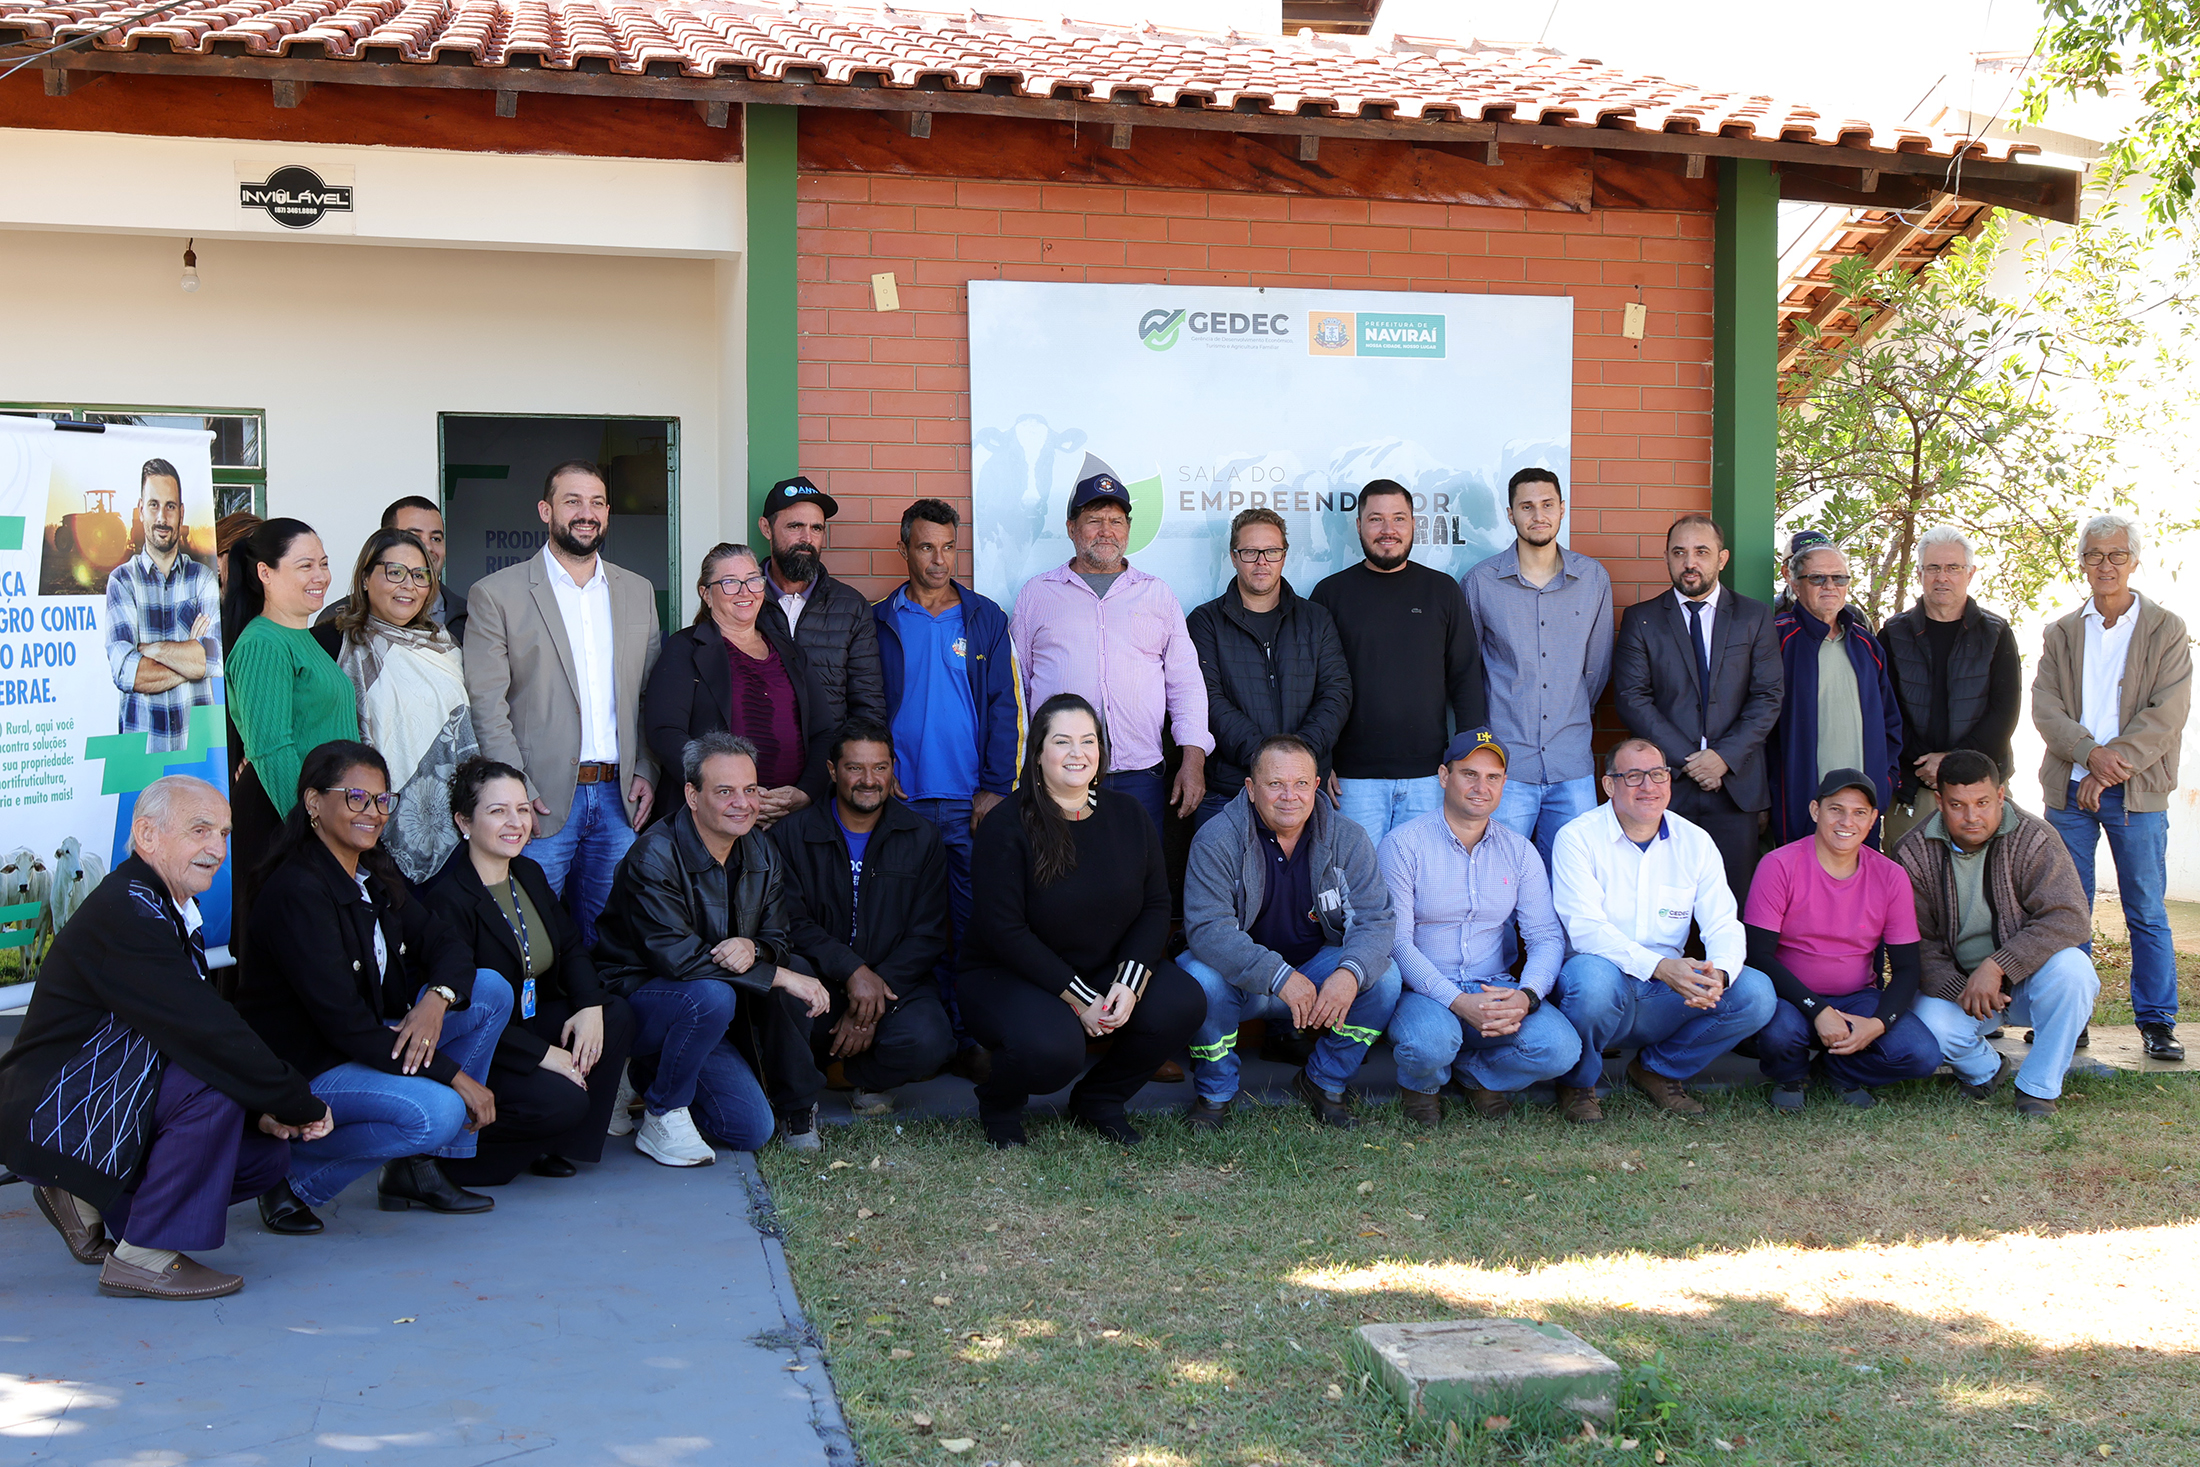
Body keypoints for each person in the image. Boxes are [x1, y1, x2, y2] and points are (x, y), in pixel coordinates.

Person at [0, 776, 332, 1301]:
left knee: (265, 1158)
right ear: (147, 835)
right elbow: (201, 1027)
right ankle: (145, 1255)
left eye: (223, 833)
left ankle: (84, 1194)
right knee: (213, 1082)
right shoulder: (128, 907)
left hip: (105, 1100)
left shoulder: (166, 905)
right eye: (200, 830)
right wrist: (295, 1100)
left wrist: (266, 1111)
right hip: (57, 1108)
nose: (217, 848)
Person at [237, 741, 511, 1218]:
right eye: (356, 798)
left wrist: (435, 1001)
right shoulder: (297, 891)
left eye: (383, 800)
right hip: (310, 1066)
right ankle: (293, 1176)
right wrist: (456, 1078)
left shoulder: (374, 873)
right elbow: (344, 1026)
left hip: (366, 1039)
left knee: (490, 991)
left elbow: (446, 943)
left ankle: (416, 1168)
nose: (374, 812)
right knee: (440, 1110)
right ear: (314, 803)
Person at [958, 694, 1206, 1148]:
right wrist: (1082, 999)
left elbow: (1155, 906)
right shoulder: (1006, 824)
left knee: (1183, 1000)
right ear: (1038, 753)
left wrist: (1128, 985)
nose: (1078, 753)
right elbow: (1005, 932)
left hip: (1101, 968)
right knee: (1055, 1050)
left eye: (1088, 740)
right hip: (1009, 975)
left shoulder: (1128, 816)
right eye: (1062, 741)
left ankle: (1100, 1100)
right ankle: (999, 1103)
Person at [593, 732, 831, 1163]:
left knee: (751, 1129)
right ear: (692, 795)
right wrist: (779, 974)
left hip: (710, 1008)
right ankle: (662, 1111)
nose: (742, 803)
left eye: (750, 789)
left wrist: (752, 947)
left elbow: (779, 939)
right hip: (639, 1001)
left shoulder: (761, 849)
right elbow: (677, 959)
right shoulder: (654, 856)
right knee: (717, 993)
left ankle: (645, 1073)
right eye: (725, 791)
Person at [466, 459, 662, 947]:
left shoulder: (637, 592)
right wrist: (514, 792)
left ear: (608, 513)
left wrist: (648, 771)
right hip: (540, 800)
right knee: (530, 937)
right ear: (545, 509)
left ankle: (599, 1023)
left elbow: (649, 694)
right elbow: (488, 705)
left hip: (620, 800)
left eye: (596, 502)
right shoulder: (497, 594)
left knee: (610, 937)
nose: (586, 512)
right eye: (572, 501)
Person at [426, 757, 637, 1183]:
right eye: (498, 810)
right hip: (482, 1048)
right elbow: (467, 1016)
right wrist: (547, 1056)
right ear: (463, 820)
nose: (515, 822)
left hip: (528, 1020)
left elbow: (571, 945)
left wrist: (590, 1005)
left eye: (522, 809)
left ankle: (555, 1144)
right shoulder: (447, 897)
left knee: (615, 1015)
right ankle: (452, 1158)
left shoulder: (527, 871)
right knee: (562, 1099)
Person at [1548, 738, 1777, 1122]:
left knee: (1755, 992)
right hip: (1602, 987)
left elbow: (1723, 921)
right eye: (1633, 776)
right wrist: (1660, 966)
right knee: (1592, 978)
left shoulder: (1695, 841)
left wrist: (1718, 972)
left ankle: (1658, 1071)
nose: (1648, 787)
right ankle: (1578, 1082)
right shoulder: (1577, 837)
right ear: (1609, 785)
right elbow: (1586, 930)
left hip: (1666, 994)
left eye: (1657, 775)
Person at [1180, 734, 1399, 1130]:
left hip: (1316, 973)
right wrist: (1279, 976)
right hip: (1240, 983)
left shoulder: (1347, 838)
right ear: (1250, 789)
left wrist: (1349, 974)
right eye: (1275, 784)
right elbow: (1208, 930)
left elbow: (1376, 920)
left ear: (1317, 786)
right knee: (1199, 979)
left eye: (1301, 783)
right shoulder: (1216, 838)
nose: (1289, 796)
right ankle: (1215, 1093)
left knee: (1384, 978)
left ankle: (1324, 1081)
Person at [2032, 512, 2190, 1061]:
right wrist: (2088, 757)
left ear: (2134, 561)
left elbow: (2166, 714)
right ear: (2081, 562)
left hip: (2138, 792)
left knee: (2145, 907)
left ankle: (2157, 1022)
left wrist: (2109, 764)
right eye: (2094, 555)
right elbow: (2046, 709)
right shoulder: (2061, 632)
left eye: (2116, 555)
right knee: (2065, 908)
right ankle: (2067, 1017)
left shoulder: (2166, 629)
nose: (2105, 565)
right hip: (2069, 791)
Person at [872, 499, 1020, 1071]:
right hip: (900, 801)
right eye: (926, 547)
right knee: (905, 921)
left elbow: (1004, 706)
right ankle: (915, 1034)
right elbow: (867, 704)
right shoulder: (880, 618)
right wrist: (879, 777)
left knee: (968, 922)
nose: (939, 560)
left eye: (948, 547)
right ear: (905, 548)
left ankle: (967, 1036)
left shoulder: (984, 617)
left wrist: (994, 786)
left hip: (966, 802)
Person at [1380, 730, 1583, 1124]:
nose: (1481, 787)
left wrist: (1527, 995)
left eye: (1493, 778)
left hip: (1494, 984)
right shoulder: (1402, 845)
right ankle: (1422, 1085)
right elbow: (1398, 943)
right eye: (1469, 774)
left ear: (1505, 783)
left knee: (1560, 1048)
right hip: (1424, 990)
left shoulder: (1519, 851)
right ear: (1444, 776)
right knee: (1432, 1041)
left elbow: (1544, 936)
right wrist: (1456, 1001)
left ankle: (1475, 1075)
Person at [1893, 750, 2101, 1116]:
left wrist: (1998, 966)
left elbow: (2069, 916)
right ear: (1940, 801)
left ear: (2001, 795)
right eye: (1957, 805)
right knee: (1927, 1026)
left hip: (2027, 984)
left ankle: (2038, 1088)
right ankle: (1985, 1070)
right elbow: (1916, 941)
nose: (1971, 816)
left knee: (2075, 971)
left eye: (1982, 802)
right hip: (1963, 993)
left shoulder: (2034, 837)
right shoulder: (1913, 851)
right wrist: (1963, 989)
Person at [769, 719, 958, 1117]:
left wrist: (871, 998)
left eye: (880, 767)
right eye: (855, 768)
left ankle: (859, 1074)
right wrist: (853, 971)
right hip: (821, 981)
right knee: (783, 994)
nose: (869, 780)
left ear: (893, 770)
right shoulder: (792, 834)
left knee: (930, 1040)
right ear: (833, 770)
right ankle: (800, 1091)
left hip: (893, 985)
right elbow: (790, 923)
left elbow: (927, 935)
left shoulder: (921, 837)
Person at [1008, 467, 1211, 834]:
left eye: (1117, 521)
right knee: (1058, 878)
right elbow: (1016, 689)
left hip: (1139, 776)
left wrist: (1193, 761)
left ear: (1129, 530)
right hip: (1058, 774)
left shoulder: (1157, 594)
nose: (1107, 531)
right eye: (1094, 520)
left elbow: (1187, 685)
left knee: (1136, 881)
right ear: (1071, 528)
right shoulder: (1036, 595)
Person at [1744, 769, 1942, 1110]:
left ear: (1872, 821)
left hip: (1857, 997)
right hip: (1789, 997)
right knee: (1779, 1032)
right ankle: (1791, 1075)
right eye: (1836, 809)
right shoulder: (1778, 865)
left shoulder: (1890, 875)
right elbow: (1758, 956)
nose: (1846, 821)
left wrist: (1878, 1024)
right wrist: (1817, 1009)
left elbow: (1908, 968)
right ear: (1815, 811)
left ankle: (1837, 1069)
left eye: (1859, 812)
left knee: (1921, 1055)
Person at [1613, 513, 1784, 904]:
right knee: (1662, 903)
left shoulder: (1754, 617)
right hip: (1665, 784)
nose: (1690, 562)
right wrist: (1693, 761)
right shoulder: (1641, 620)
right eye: (1679, 553)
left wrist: (1722, 757)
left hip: (1734, 787)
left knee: (1730, 903)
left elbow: (1768, 696)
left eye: (1701, 552)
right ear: (1667, 559)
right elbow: (1632, 699)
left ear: (1721, 559)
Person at [1311, 479, 1486, 841]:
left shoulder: (1442, 591)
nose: (1388, 530)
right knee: (1357, 888)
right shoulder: (1330, 594)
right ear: (1358, 525)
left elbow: (1465, 678)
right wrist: (1320, 757)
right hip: (1351, 780)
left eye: (1399, 519)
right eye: (1376, 519)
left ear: (1413, 525)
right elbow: (1313, 685)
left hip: (1429, 777)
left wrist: (1469, 760)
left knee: (1423, 887)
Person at [224, 518, 357, 980]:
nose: (320, 576)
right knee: (278, 965)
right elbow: (272, 749)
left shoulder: (302, 636)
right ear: (265, 572)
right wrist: (312, 831)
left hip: (315, 816)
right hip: (282, 819)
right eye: (305, 565)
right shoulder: (263, 643)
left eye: (323, 563)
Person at [1460, 468, 1613, 864]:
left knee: (1572, 882)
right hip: (1506, 765)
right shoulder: (1480, 582)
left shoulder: (1593, 578)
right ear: (1510, 514)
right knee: (1501, 881)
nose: (1538, 515)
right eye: (1526, 507)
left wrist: (1571, 710)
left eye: (1547, 505)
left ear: (1563, 510)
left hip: (1572, 761)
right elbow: (1468, 670)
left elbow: (1596, 668)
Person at [315, 528, 478, 884]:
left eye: (420, 575)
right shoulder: (332, 641)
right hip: (368, 819)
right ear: (364, 578)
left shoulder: (445, 646)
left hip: (452, 820)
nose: (409, 585)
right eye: (395, 572)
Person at [1185, 508, 1352, 831]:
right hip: (1230, 792)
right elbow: (1208, 702)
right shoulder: (1205, 622)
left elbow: (1336, 693)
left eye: (1271, 551)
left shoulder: (1316, 619)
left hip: (1305, 794)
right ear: (1233, 557)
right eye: (1250, 552)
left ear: (1284, 556)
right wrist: (1270, 763)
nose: (1261, 561)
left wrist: (1295, 764)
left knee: (1306, 882)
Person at [644, 543, 827, 831]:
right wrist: (730, 795)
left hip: (787, 821)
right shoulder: (685, 648)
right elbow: (664, 732)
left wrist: (804, 792)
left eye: (753, 580)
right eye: (730, 582)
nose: (745, 591)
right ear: (706, 594)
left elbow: (824, 731)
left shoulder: (789, 652)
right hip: (713, 822)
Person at [1879, 527, 2021, 848]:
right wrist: (1927, 765)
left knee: (1988, 886)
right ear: (1919, 574)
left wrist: (1952, 762)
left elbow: (2004, 712)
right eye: (1933, 568)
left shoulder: (1995, 633)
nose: (1942, 576)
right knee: (1912, 886)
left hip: (1980, 788)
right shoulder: (1893, 633)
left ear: (1970, 573)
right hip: (1915, 788)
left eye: (1953, 568)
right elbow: (1886, 710)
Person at [1769, 533, 1904, 847]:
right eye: (1817, 578)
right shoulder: (1776, 639)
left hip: (1862, 807)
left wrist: (1884, 785)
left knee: (1858, 890)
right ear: (1794, 582)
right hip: (1799, 803)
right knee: (1803, 890)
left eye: (1839, 578)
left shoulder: (1866, 644)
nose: (1830, 586)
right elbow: (1758, 725)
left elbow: (1890, 723)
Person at [106, 458, 221, 754]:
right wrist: (190, 655)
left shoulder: (203, 579)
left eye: (170, 506)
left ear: (181, 513)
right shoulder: (122, 582)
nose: (162, 517)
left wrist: (150, 649)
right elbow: (127, 672)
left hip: (197, 751)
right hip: (140, 753)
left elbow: (214, 660)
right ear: (141, 509)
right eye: (154, 505)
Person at [755, 474, 886, 730]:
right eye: (795, 526)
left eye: (817, 528)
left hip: (828, 762)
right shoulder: (743, 599)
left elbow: (868, 705)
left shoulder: (851, 607)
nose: (808, 538)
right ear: (766, 528)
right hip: (757, 761)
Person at [317, 495, 470, 645]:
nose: (427, 547)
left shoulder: (468, 618)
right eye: (396, 572)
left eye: (436, 538)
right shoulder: (334, 625)